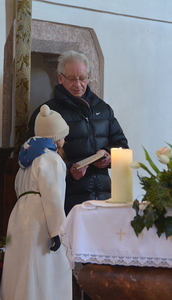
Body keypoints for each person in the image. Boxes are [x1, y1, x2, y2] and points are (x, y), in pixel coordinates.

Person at [28, 50, 129, 215]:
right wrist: (69, 170)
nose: (78, 84)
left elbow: (122, 146)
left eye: (82, 78)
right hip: (68, 199)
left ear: (88, 78)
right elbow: (37, 158)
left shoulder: (104, 109)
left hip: (105, 197)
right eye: (72, 79)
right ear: (60, 78)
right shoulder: (48, 114)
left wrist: (110, 156)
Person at [0, 105, 72, 300]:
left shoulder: (27, 159)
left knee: (23, 272)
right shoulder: (52, 158)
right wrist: (57, 230)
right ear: (56, 137)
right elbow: (53, 196)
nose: (65, 140)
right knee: (43, 272)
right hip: (41, 220)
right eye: (63, 135)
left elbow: (18, 189)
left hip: (20, 217)